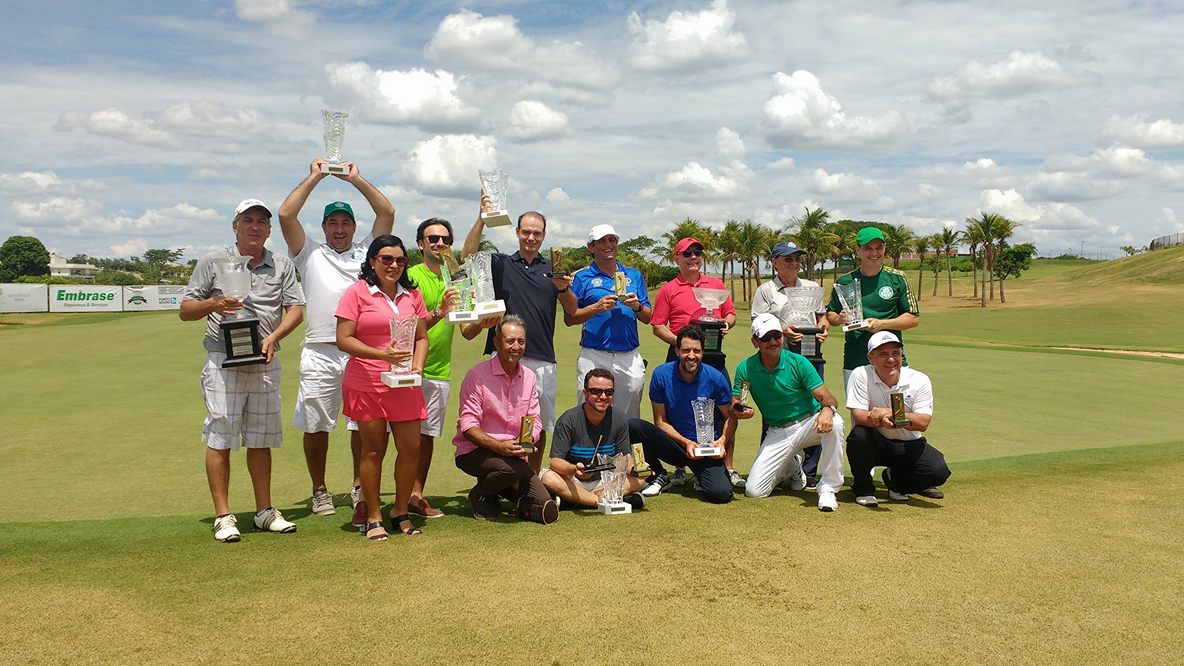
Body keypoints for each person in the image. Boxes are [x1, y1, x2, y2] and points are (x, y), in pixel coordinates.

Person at [277, 158, 395, 524]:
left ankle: (360, 485)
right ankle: (319, 489)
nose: (339, 229)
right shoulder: (308, 252)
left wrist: (355, 178)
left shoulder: (367, 253)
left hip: (362, 352)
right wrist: (316, 176)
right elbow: (285, 215)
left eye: (345, 223)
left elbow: (387, 211)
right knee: (316, 425)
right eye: (333, 223)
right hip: (321, 350)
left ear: (354, 227)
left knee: (363, 425)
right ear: (324, 227)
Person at [180, 198, 305, 543]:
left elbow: (295, 309)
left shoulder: (280, 264)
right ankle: (223, 516)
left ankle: (264, 511)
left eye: (262, 221)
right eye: (247, 220)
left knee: (261, 438)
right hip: (223, 359)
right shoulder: (213, 261)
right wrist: (214, 304)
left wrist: (275, 337)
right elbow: (187, 309)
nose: (255, 226)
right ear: (235, 226)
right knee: (220, 436)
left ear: (268, 229)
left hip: (265, 359)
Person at [461, 204, 576, 472]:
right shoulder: (501, 264)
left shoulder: (553, 270)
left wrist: (564, 288)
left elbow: (571, 309)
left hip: (543, 358)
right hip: (503, 357)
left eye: (537, 233)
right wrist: (481, 218)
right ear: (517, 233)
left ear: (544, 236)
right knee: (496, 421)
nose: (531, 238)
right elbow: (467, 256)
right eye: (526, 232)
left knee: (540, 426)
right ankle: (499, 476)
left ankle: (530, 480)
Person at [334, 235, 428, 541]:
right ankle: (373, 514)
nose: (394, 265)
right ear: (373, 261)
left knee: (411, 449)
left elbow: (422, 337)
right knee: (373, 451)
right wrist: (382, 355)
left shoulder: (411, 294)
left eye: (400, 260)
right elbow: (344, 338)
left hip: (405, 383)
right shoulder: (357, 292)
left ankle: (400, 510)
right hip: (367, 382)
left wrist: (417, 365)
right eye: (386, 259)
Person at [650, 237, 741, 489]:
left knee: (726, 411)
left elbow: (730, 314)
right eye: (687, 253)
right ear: (676, 258)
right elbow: (657, 325)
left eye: (697, 253)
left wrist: (725, 324)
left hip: (713, 355)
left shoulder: (715, 284)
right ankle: (681, 466)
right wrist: (682, 347)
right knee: (678, 409)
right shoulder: (669, 289)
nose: (693, 257)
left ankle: (728, 467)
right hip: (681, 356)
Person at [732, 313, 844, 511]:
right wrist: (738, 410)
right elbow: (737, 401)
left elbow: (828, 398)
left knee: (834, 422)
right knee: (755, 491)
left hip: (809, 423)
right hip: (778, 431)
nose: (773, 342)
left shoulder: (798, 362)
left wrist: (827, 409)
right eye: (766, 338)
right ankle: (792, 465)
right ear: (755, 341)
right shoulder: (745, 368)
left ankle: (828, 488)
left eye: (776, 335)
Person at [453, 315, 559, 524]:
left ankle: (504, 496)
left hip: (512, 454)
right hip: (475, 451)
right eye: (510, 341)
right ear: (496, 342)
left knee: (545, 503)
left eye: (521, 341)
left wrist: (525, 443)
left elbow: (534, 420)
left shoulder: (529, 377)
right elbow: (468, 425)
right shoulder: (477, 375)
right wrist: (500, 447)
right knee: (510, 469)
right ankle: (480, 494)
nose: (516, 347)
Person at [750, 241, 830, 487]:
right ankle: (778, 468)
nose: (794, 263)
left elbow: (821, 316)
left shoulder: (811, 287)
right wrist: (782, 330)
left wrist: (824, 327)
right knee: (775, 407)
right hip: (779, 358)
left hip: (810, 356)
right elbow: (759, 321)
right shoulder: (766, 290)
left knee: (815, 407)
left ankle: (810, 471)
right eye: (788, 259)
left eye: (797, 259)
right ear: (775, 262)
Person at [632, 326, 735, 504]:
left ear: (703, 352)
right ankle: (655, 475)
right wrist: (686, 442)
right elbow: (660, 421)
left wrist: (722, 441)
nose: (691, 355)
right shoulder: (661, 375)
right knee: (633, 427)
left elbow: (730, 417)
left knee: (721, 494)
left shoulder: (716, 378)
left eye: (697, 350)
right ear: (677, 350)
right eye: (686, 350)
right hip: (675, 444)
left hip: (706, 448)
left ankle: (701, 477)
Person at [846, 331, 950, 506]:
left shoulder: (919, 379)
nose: (891, 359)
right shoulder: (860, 374)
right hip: (875, 442)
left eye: (895, 353)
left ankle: (896, 481)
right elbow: (858, 415)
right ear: (870, 357)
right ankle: (863, 488)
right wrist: (878, 419)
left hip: (908, 442)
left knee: (938, 471)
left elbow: (923, 423)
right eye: (883, 354)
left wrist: (889, 413)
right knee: (859, 436)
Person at [403, 218, 462, 519]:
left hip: (439, 370)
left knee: (426, 438)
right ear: (420, 243)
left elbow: (467, 327)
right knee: (399, 437)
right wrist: (441, 311)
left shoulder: (454, 277)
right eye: (433, 238)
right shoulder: (410, 276)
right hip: (407, 369)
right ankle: (373, 499)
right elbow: (408, 327)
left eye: (445, 239)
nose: (439, 244)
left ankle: (416, 496)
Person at [564, 224, 652, 420]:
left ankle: (625, 450)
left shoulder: (633, 275)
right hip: (594, 353)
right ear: (591, 247)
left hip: (628, 354)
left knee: (630, 412)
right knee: (589, 409)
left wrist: (637, 305)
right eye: (602, 241)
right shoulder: (582, 277)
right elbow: (570, 318)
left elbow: (648, 317)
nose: (608, 244)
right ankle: (586, 450)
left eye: (612, 240)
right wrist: (596, 307)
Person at [540, 368, 646, 510]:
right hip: (575, 480)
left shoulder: (619, 418)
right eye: (596, 391)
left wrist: (636, 469)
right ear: (585, 393)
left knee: (641, 478)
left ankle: (575, 500)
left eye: (609, 392)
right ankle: (599, 501)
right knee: (549, 478)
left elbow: (624, 457)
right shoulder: (568, 420)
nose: (603, 397)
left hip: (605, 481)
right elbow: (555, 462)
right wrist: (574, 469)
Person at [826, 227, 919, 385]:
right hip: (856, 360)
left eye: (879, 248)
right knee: (859, 410)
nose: (874, 253)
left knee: (897, 409)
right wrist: (840, 318)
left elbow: (912, 318)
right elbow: (831, 315)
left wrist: (881, 324)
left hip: (892, 361)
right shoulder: (845, 282)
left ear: (884, 249)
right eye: (868, 248)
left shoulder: (897, 278)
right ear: (858, 250)